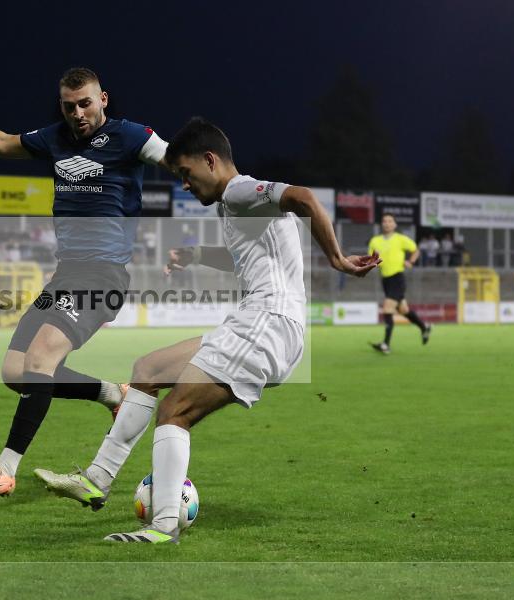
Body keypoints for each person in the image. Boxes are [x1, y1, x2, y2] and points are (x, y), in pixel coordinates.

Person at [32, 117, 380, 543]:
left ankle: (162, 527)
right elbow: (244, 258)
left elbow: (304, 198)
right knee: (148, 367)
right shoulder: (233, 204)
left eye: (186, 173)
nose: (184, 184)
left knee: (174, 412)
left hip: (267, 324)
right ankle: (97, 479)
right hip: (258, 324)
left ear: (210, 160)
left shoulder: (237, 190)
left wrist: (338, 259)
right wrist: (196, 254)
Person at [0, 67, 170, 498]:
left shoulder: (131, 136)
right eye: (69, 106)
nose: (78, 113)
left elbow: (177, 160)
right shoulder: (54, 138)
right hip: (65, 276)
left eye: (85, 103)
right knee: (14, 371)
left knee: (40, 360)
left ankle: (4, 469)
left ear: (104, 100)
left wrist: (233, 190)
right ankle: (113, 394)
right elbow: (3, 143)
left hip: (103, 275)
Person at [368, 214, 431, 355]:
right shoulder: (375, 241)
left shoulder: (401, 239)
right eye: (384, 221)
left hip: (398, 278)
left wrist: (411, 262)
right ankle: (424, 327)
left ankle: (386, 344)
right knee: (403, 310)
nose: (387, 223)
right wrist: (372, 264)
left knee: (387, 308)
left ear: (395, 225)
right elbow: (372, 259)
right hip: (385, 280)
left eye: (390, 221)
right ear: (381, 224)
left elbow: (416, 250)